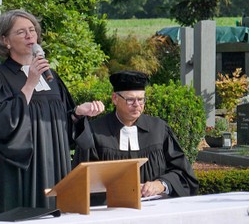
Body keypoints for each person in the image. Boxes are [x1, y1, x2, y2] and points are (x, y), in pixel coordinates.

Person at [0, 9, 104, 215]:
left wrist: (78, 114)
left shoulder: (51, 77)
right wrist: (29, 84)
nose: (30, 36)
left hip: (54, 165)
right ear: (5, 40)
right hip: (17, 172)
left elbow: (61, 128)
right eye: (21, 32)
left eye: (32, 30)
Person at [74, 70, 198, 201]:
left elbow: (183, 173)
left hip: (156, 208)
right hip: (111, 211)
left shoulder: (159, 129)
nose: (137, 105)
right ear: (115, 99)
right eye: (130, 100)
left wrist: (161, 184)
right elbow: (82, 179)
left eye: (141, 99)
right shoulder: (95, 131)